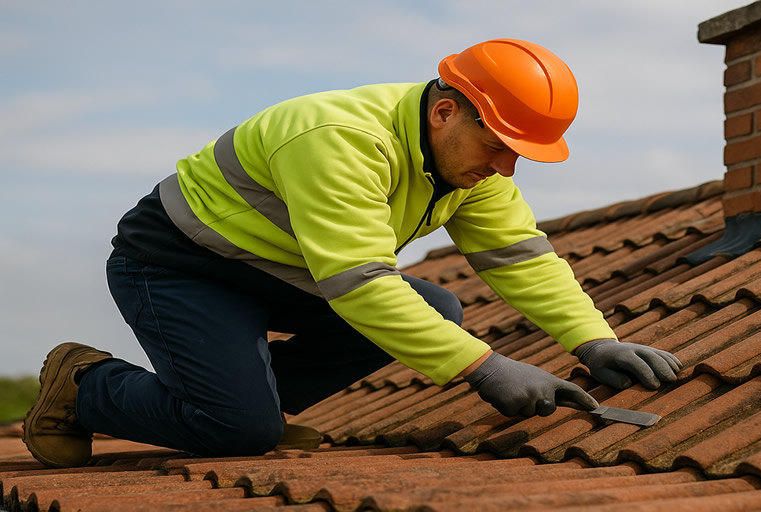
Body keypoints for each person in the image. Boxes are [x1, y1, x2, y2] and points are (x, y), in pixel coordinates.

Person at [22, 38, 682, 468]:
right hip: (179, 265)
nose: (507, 168)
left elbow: (523, 262)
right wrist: (483, 367)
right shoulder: (339, 138)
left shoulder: (469, 170)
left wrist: (594, 342)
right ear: (446, 112)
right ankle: (85, 386)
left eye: (521, 154)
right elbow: (361, 284)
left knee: (437, 307)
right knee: (239, 432)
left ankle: (240, 393)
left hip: (278, 272)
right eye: (499, 146)